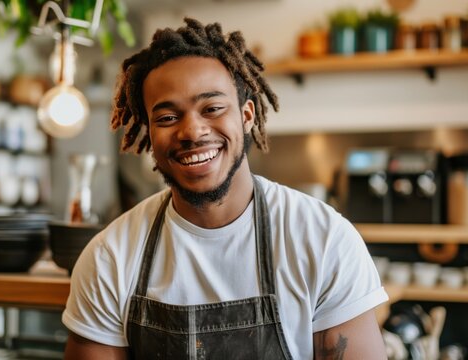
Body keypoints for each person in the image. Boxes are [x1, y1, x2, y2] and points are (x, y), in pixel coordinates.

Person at [62, 18, 388, 359]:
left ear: (247, 116)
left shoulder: (323, 240)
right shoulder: (109, 258)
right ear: (149, 132)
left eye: (212, 108)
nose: (191, 131)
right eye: (167, 118)